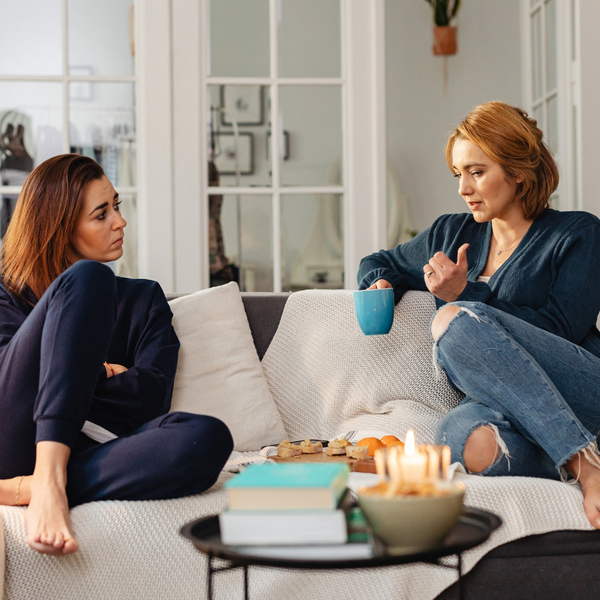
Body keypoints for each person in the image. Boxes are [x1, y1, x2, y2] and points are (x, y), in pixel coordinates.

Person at [357, 101, 600, 529]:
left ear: (518, 171)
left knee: (452, 320)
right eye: (457, 174)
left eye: (477, 171)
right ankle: (569, 452)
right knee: (462, 440)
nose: (463, 189)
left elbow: (563, 331)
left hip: (583, 390)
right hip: (505, 405)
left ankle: (586, 465)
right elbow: (379, 260)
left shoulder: (577, 232)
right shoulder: (451, 233)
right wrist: (380, 284)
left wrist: (466, 294)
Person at [0, 154, 233, 555]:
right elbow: (12, 390)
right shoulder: (6, 294)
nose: (120, 221)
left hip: (94, 453)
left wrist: (68, 375)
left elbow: (149, 399)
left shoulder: (144, 298)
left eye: (117, 207)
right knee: (89, 277)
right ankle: (50, 481)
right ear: (59, 227)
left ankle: (36, 484)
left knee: (207, 438)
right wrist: (100, 372)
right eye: (101, 214)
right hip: (14, 440)